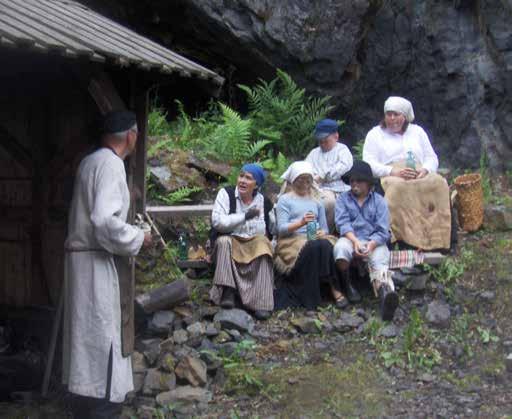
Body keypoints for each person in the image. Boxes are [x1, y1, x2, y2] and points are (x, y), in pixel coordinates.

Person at [62, 111, 152, 418]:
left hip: (81, 260)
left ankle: (84, 402)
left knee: (85, 339)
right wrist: (138, 237)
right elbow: (103, 219)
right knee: (102, 336)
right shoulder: (112, 164)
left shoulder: (89, 162)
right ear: (131, 136)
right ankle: (102, 407)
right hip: (96, 262)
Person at [362, 96, 452, 251]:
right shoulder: (375, 134)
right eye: (388, 114)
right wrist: (393, 171)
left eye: (396, 115)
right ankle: (406, 240)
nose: (392, 119)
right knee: (399, 190)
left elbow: (431, 157)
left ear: (405, 117)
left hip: (419, 172)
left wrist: (425, 170)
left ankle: (438, 240)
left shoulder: (417, 132)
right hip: (392, 174)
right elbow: (368, 163)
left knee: (439, 184)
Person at [274, 161, 347, 310]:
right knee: (315, 246)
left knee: (324, 244)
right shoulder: (285, 200)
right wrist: (300, 223)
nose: (304, 183)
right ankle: (327, 289)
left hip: (313, 237)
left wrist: (322, 232)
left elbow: (325, 228)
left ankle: (333, 286)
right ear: (293, 180)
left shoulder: (316, 201)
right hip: (292, 239)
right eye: (301, 179)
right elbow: (281, 228)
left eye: (308, 179)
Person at [333, 160, 398, 320]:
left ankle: (385, 296)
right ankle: (347, 285)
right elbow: (342, 223)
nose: (354, 183)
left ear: (368, 183)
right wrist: (355, 242)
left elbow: (383, 230)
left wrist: (371, 244)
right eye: (352, 180)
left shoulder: (379, 201)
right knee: (340, 249)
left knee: (380, 262)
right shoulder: (343, 199)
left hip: (374, 241)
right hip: (351, 238)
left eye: (359, 180)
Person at [209, 163, 274, 320]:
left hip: (253, 243)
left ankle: (262, 302)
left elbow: (272, 229)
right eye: (241, 176)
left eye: (249, 178)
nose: (243, 181)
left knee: (264, 244)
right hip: (230, 239)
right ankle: (227, 291)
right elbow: (218, 222)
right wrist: (244, 216)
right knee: (224, 241)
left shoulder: (264, 202)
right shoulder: (226, 194)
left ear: (256, 184)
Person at [306, 118, 353, 234]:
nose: (322, 144)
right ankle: (308, 233)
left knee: (327, 202)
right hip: (314, 187)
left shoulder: (342, 150)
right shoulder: (314, 153)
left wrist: (322, 175)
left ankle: (326, 233)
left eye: (325, 141)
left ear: (336, 136)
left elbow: (344, 166)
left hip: (337, 188)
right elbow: (305, 168)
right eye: (320, 141)